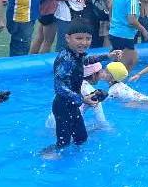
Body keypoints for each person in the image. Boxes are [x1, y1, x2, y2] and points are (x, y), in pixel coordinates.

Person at [49, 23, 121, 152]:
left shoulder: (75, 55)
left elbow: (86, 60)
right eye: (79, 38)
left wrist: (108, 56)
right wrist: (82, 99)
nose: (84, 42)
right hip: (62, 106)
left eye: (88, 38)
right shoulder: (65, 58)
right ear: (67, 38)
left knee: (81, 138)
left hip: (72, 105)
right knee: (63, 143)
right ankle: (46, 156)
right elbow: (59, 86)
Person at [109, 0, 148, 70]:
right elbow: (131, 20)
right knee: (127, 65)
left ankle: (113, 82)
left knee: (118, 63)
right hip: (124, 35)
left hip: (114, 33)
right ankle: (118, 84)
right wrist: (143, 30)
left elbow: (111, 8)